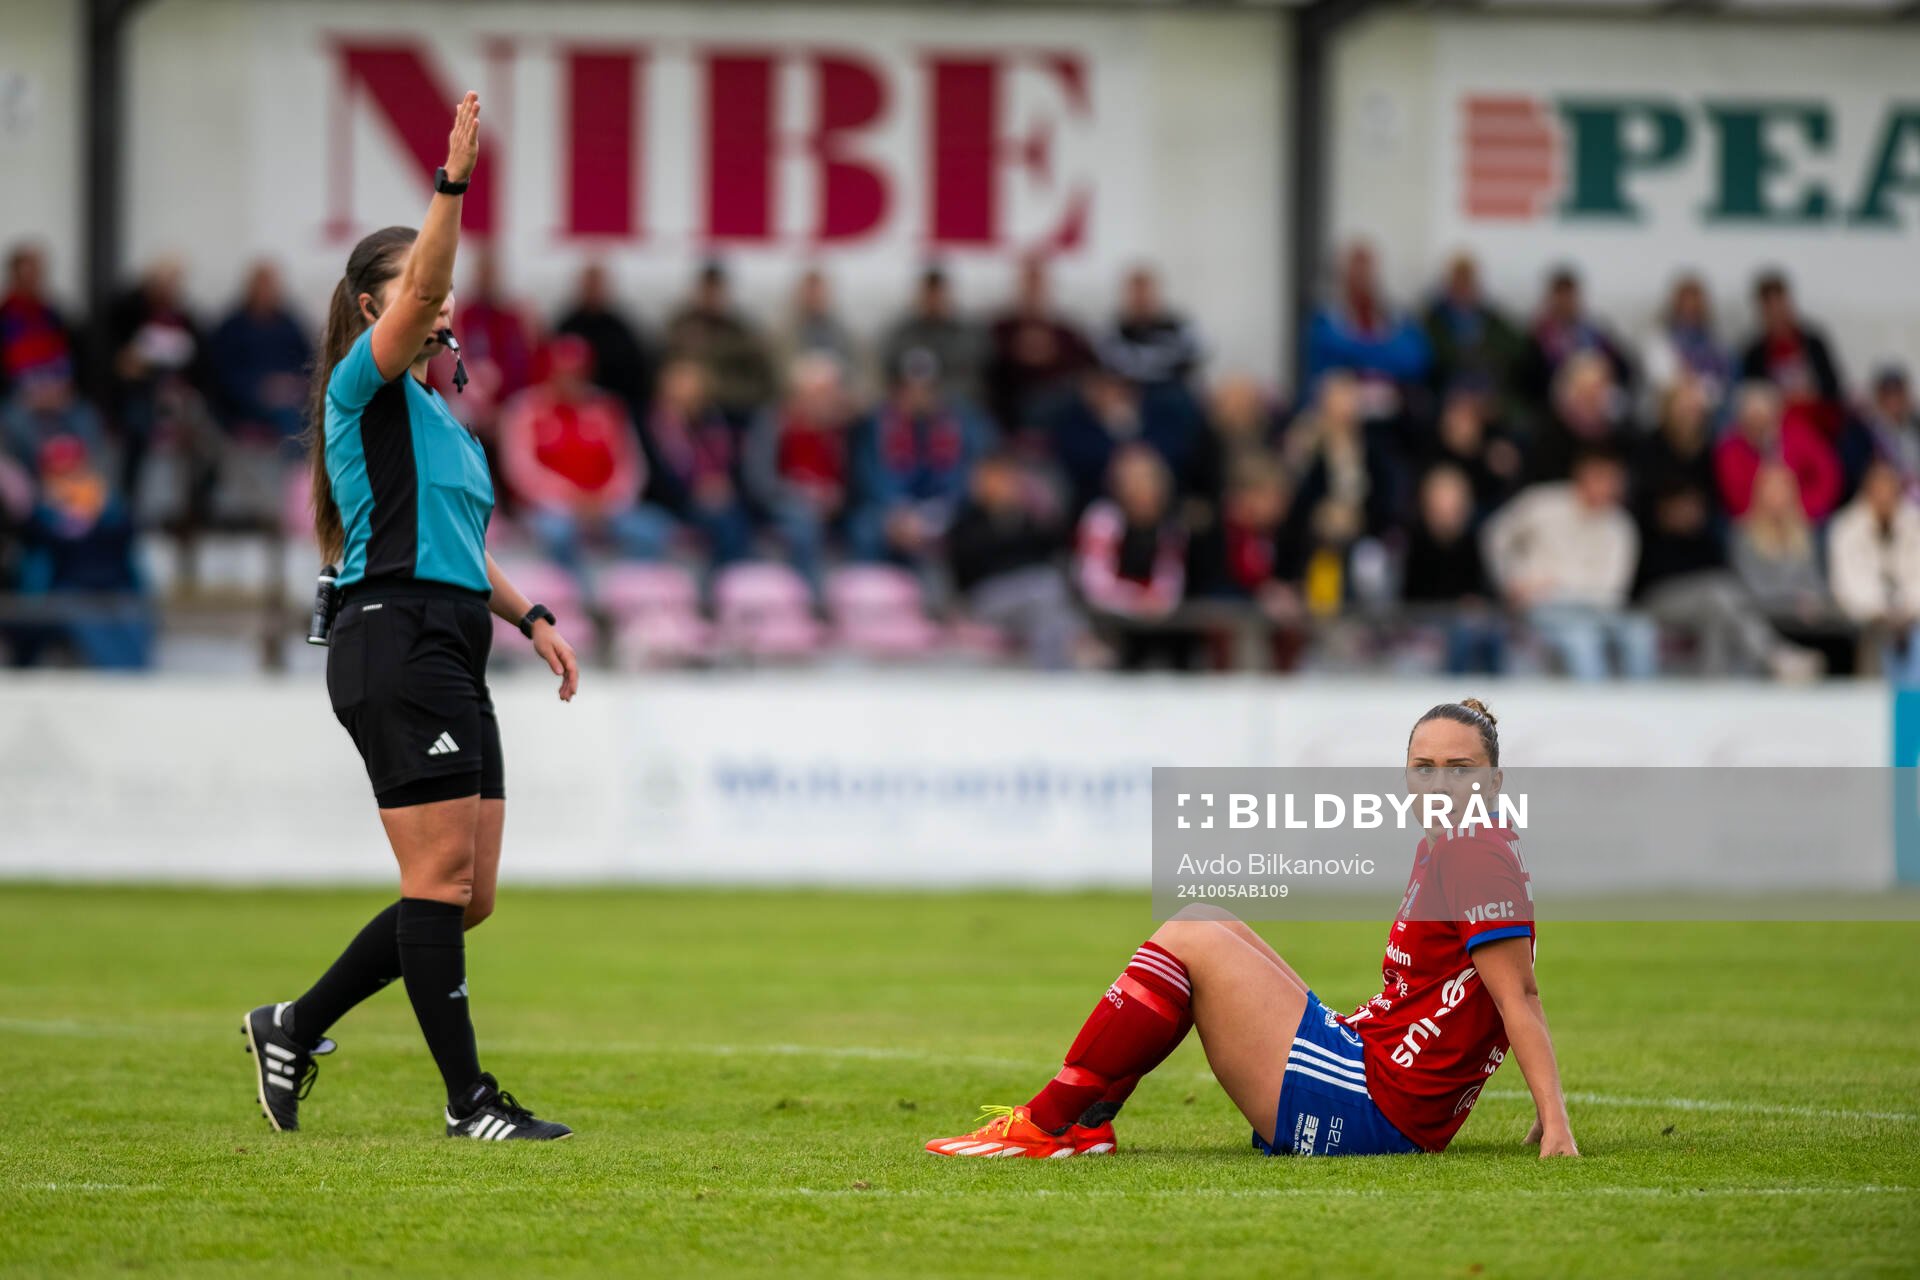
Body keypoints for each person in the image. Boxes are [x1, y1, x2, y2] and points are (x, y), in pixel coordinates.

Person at [247, 93, 578, 1142]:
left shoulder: (437, 413)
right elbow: (425, 286)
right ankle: (469, 1102)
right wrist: (449, 187)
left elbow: (461, 554)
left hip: (451, 638)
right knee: (436, 877)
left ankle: (293, 1022)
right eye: (413, 293)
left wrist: (532, 617)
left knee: (464, 894)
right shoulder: (366, 385)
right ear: (370, 304)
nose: (438, 306)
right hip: (393, 640)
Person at [925, 699, 1577, 1161]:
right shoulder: (1463, 840)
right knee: (1208, 920)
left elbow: (1515, 994)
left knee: (1192, 935)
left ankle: (1047, 1123)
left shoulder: (1471, 852)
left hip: (1378, 1109)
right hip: (1371, 1067)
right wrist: (1541, 1110)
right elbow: (1501, 985)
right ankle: (1085, 1124)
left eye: (1458, 770)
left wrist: (1557, 1124)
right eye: (1423, 767)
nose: (1438, 784)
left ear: (1493, 779)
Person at [497, 335, 662, 586]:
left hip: (608, 507)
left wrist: (607, 498)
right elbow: (520, 471)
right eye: (563, 372)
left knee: (651, 531)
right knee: (558, 533)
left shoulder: (608, 408)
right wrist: (571, 497)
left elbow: (631, 466)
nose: (571, 380)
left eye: (577, 373)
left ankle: (627, 597)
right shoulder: (525, 409)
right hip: (549, 508)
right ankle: (578, 601)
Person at [1482, 447, 1654, 679]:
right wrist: (1510, 580)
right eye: (1600, 475)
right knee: (1581, 639)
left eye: (1612, 478)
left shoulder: (1621, 527)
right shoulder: (1542, 504)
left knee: (1640, 633)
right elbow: (1496, 535)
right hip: (1542, 606)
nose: (1606, 485)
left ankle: (1642, 707)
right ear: (1582, 474)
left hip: (1595, 609)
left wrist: (1553, 584)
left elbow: (1612, 590)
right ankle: (1592, 712)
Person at [849, 348, 992, 570]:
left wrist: (936, 513)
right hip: (892, 510)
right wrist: (897, 512)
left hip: (946, 508)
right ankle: (877, 593)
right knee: (865, 527)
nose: (918, 396)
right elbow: (869, 474)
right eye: (909, 388)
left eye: (926, 389)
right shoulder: (877, 423)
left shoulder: (962, 421)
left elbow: (972, 471)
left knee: (970, 528)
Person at [945, 451, 1083, 669]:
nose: (1000, 485)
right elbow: (966, 571)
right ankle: (1060, 669)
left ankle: (1053, 670)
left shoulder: (1030, 520)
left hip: (1032, 601)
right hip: (983, 599)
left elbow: (1056, 547)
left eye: (1006, 478)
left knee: (1047, 609)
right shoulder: (965, 523)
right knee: (1047, 590)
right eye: (993, 478)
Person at [1074, 444, 1193, 671]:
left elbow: (1170, 582)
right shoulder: (1103, 519)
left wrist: (1157, 603)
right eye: (1132, 480)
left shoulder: (1171, 527)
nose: (1141, 489)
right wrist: (1136, 601)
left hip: (1159, 625)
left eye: (1147, 480)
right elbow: (1095, 583)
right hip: (1105, 623)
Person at [745, 352, 856, 594]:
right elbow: (759, 480)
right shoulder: (773, 423)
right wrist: (804, 495)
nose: (829, 400)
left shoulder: (844, 431)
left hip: (836, 507)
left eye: (832, 393)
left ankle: (865, 601)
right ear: (800, 394)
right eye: (822, 393)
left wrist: (838, 496)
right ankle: (811, 600)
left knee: (867, 527)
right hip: (785, 504)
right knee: (803, 523)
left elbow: (857, 478)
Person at [638, 357, 755, 567]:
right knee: (723, 518)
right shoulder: (650, 427)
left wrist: (724, 487)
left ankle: (734, 580)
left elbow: (737, 467)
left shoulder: (719, 422)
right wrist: (695, 493)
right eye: (679, 391)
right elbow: (652, 479)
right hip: (671, 503)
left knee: (733, 512)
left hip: (718, 500)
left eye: (692, 391)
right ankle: (725, 580)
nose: (686, 398)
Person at [1304, 242, 1431, 422]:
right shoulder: (1325, 320)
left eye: (1366, 270)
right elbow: (1326, 362)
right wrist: (1384, 349)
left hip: (1393, 414)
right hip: (1344, 412)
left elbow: (1416, 361)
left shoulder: (1396, 316)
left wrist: (1359, 353)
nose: (1361, 277)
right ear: (1342, 274)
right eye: (1355, 270)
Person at [1402, 465, 1502, 674]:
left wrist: (1475, 602)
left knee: (1492, 633)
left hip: (1468, 618)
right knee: (1461, 634)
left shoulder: (1474, 539)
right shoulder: (1414, 539)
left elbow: (1486, 588)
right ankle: (1452, 697)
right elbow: (1410, 595)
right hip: (1428, 618)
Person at [1827, 458, 1920, 681]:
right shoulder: (1846, 528)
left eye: (1889, 488)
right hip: (1869, 622)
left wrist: (1906, 610)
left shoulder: (1914, 524)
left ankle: (1912, 709)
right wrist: (1882, 611)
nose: (1884, 495)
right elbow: (1846, 585)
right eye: (1878, 488)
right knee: (1877, 636)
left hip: (1912, 618)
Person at [985, 256, 1094, 435]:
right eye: (1029, 284)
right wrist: (1019, 352)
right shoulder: (1001, 328)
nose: (1033, 291)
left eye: (1038, 285)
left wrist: (1051, 353)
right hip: (1012, 403)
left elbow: (1086, 366)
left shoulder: (1065, 331)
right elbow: (990, 366)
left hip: (1058, 404)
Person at [207, 262, 313, 440]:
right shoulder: (233, 327)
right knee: (288, 416)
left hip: (291, 393)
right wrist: (260, 388)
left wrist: (295, 383)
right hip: (248, 400)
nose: (267, 292)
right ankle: (296, 465)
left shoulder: (289, 323)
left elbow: (308, 361)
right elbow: (223, 373)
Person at [664, 261, 777, 421]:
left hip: (734, 410)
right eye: (707, 290)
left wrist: (719, 392)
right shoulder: (681, 327)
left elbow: (763, 381)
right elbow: (668, 373)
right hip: (687, 411)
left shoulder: (741, 331)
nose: (711, 297)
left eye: (716, 290)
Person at [1715, 381, 1841, 522]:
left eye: (1763, 417)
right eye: (1752, 418)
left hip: (1803, 518)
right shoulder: (1730, 450)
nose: (1758, 424)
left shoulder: (1799, 433)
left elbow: (1828, 474)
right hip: (1753, 524)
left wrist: (1803, 509)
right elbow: (1737, 499)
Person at [1740, 271, 1844, 437]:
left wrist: (1809, 396)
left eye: (1779, 305)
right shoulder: (1754, 353)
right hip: (1778, 428)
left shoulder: (1814, 343)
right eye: (1769, 307)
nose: (1776, 314)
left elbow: (1833, 386)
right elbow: (1754, 396)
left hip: (1819, 421)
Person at [554, 261, 655, 426]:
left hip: (618, 407)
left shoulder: (621, 326)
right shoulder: (567, 325)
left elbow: (637, 372)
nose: (594, 289)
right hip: (572, 406)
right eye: (590, 283)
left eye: (598, 283)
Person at [1422, 253, 1522, 413]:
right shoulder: (1434, 318)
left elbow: (1515, 346)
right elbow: (1435, 357)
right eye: (1459, 279)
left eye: (1468, 280)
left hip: (1490, 385)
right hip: (1451, 387)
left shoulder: (1491, 317)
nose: (1463, 286)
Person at [878, 266, 985, 407]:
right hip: (907, 406)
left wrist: (936, 397)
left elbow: (972, 379)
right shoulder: (902, 334)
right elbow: (888, 374)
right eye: (929, 295)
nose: (933, 301)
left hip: (954, 406)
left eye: (938, 295)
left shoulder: (967, 335)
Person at [1639, 274, 1733, 416]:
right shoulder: (1660, 339)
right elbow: (1662, 381)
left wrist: (1696, 389)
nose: (1689, 310)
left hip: (1709, 410)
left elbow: (1720, 386)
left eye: (1694, 306)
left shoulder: (1716, 342)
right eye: (1685, 305)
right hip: (1669, 411)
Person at [1099, 266, 1202, 390]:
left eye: (1146, 293)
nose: (1142, 300)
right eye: (1136, 294)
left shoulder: (1178, 326)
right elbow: (1114, 365)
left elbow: (1197, 354)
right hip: (1132, 391)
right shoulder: (1114, 331)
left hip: (1174, 388)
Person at [0, 243, 81, 401]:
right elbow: (11, 365)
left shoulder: (52, 314)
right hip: (22, 395)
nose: (33, 279)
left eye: (37, 273)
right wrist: (35, 393)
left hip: (59, 391)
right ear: (15, 276)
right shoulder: (6, 314)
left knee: (87, 420)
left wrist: (62, 387)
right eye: (27, 274)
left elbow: (64, 355)